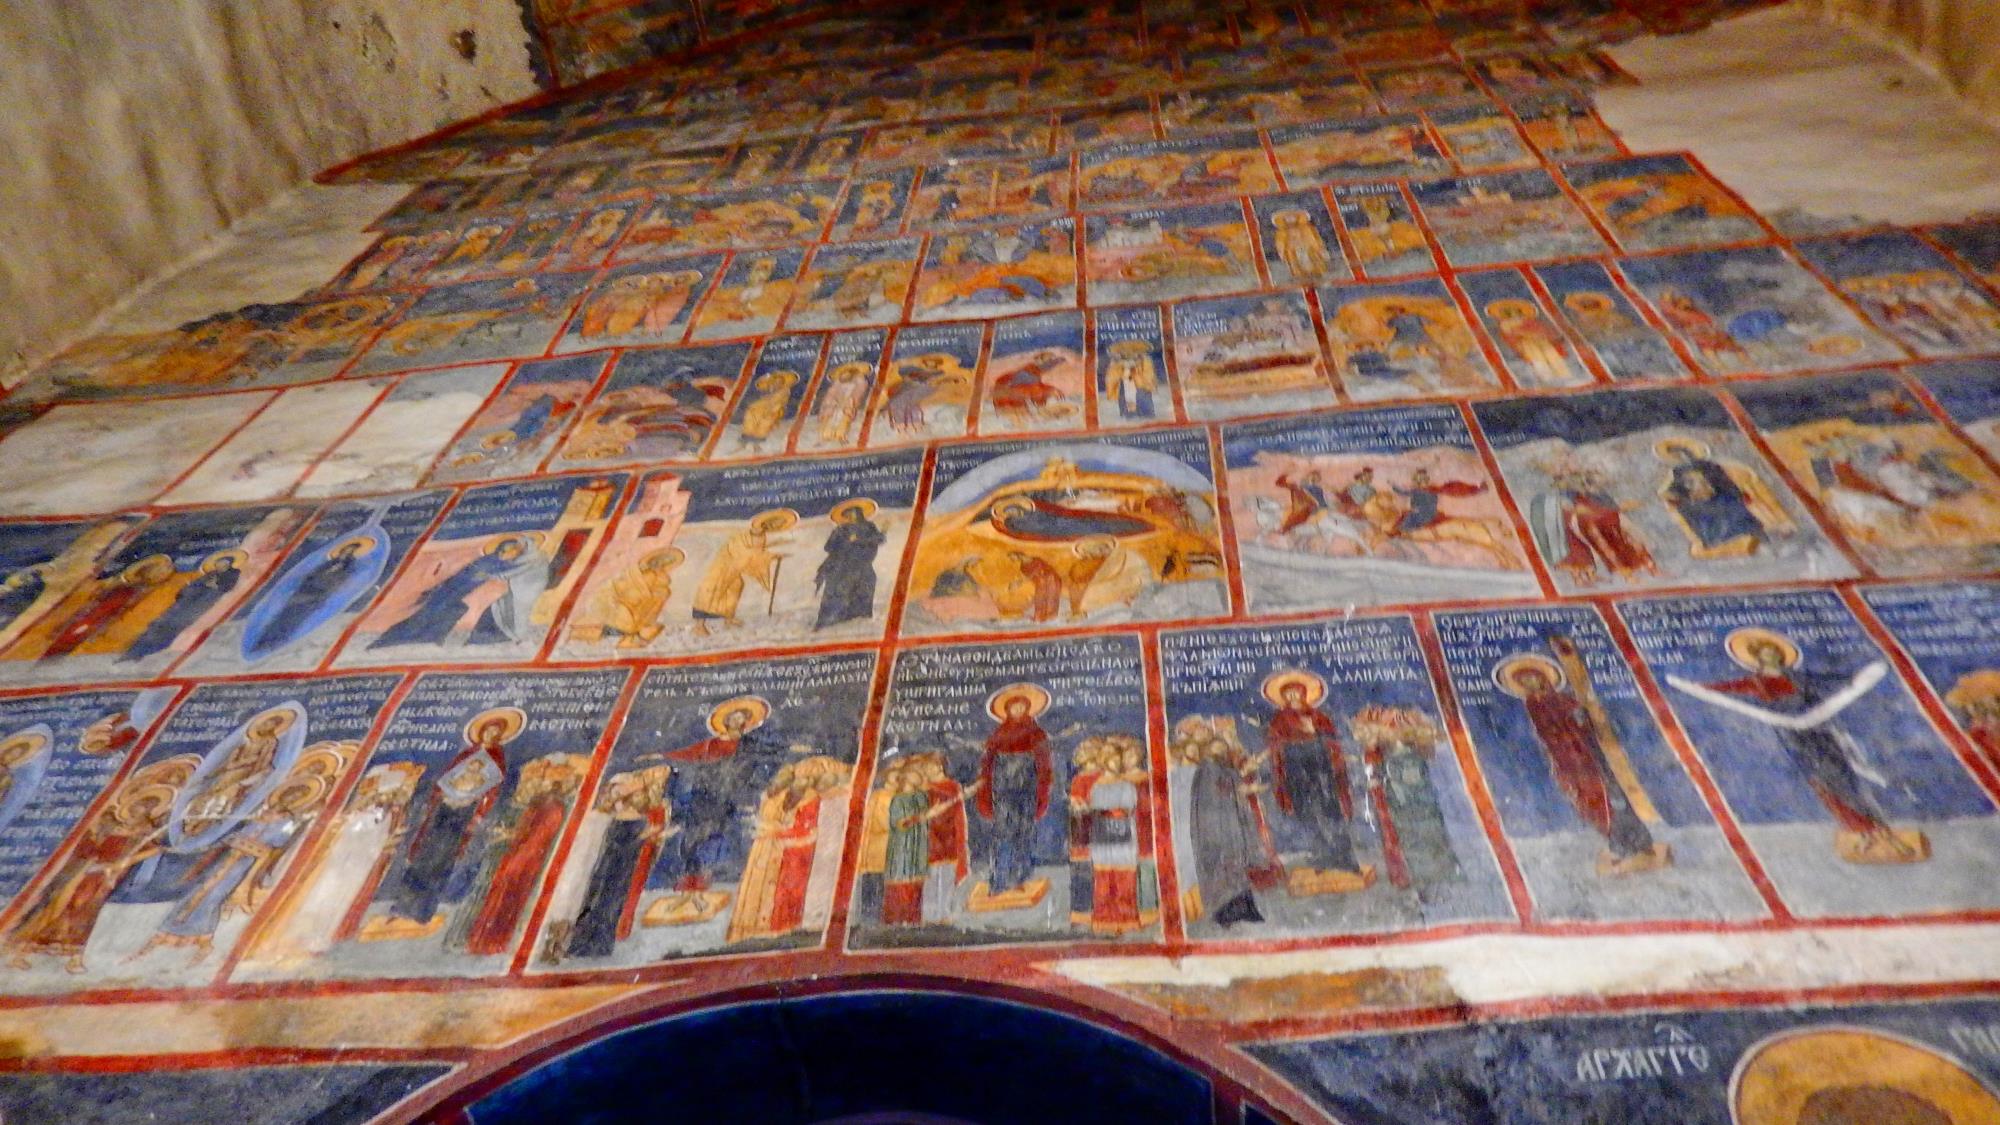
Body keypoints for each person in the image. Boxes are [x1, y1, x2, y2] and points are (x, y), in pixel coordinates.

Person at [1495, 653, 1657, 866]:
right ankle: (1620, 847)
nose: (1530, 684)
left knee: (1611, 795)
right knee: (1588, 804)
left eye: (1532, 678)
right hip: (1566, 760)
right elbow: (1545, 733)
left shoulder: (1563, 699)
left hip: (1587, 754)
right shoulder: (1533, 705)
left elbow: (1583, 718)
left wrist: (1581, 718)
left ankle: (1640, 843)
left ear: (1542, 678)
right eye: (1524, 682)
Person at [374, 708, 520, 933]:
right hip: (443, 810)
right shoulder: (466, 754)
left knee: (441, 861)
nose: (490, 735)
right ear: (481, 731)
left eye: (495, 732)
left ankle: (422, 911)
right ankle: (402, 906)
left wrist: (477, 811)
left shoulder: (496, 759)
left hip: (462, 815)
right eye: (488, 730)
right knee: (423, 856)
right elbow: (445, 781)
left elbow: (491, 791)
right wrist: (440, 796)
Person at [453, 757, 582, 956]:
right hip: (517, 855)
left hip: (525, 861)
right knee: (496, 897)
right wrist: (507, 835)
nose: (535, 783)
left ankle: (490, 943)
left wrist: (513, 852)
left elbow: (538, 838)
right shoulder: (539, 803)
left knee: (506, 899)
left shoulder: (554, 808)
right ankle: (479, 941)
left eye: (541, 779)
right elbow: (524, 830)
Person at [1251, 671, 1363, 879]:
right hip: (1294, 767)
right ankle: (1323, 855)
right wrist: (1280, 747)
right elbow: (1275, 743)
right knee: (1305, 812)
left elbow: (1331, 741)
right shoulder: (1279, 719)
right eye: (1288, 694)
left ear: (1304, 694)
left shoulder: (1318, 716)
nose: (1293, 697)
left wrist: (1315, 733)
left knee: (1331, 808)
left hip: (1320, 766)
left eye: (1296, 693)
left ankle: (1344, 856)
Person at [368, 534, 547, 649]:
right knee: (437, 614)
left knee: (452, 612)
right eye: (509, 550)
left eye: (515, 550)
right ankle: (406, 638)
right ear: (501, 549)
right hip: (449, 594)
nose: (512, 553)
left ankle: (436, 639)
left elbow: (511, 572)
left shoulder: (507, 563)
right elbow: (470, 576)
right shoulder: (490, 562)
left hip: (455, 595)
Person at [977, 685, 1055, 897]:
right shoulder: (998, 735)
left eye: (1022, 707)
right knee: (1003, 833)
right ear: (1007, 710)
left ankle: (1019, 878)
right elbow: (987, 766)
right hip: (1003, 792)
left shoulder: (1037, 734)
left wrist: (1043, 792)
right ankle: (999, 879)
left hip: (1027, 791)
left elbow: (1044, 766)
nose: (1018, 710)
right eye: (1014, 707)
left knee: (1024, 834)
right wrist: (985, 792)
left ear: (1028, 709)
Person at [1656, 438, 1792, 559]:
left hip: (1721, 500)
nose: (1685, 456)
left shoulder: (1710, 467)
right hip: (1704, 509)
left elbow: (1722, 482)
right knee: (1729, 517)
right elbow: (1669, 494)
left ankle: (1768, 540)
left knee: (1744, 512)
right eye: (1679, 454)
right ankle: (1755, 542)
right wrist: (1688, 495)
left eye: (1687, 452)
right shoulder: (1677, 475)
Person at [693, 509, 794, 635]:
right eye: (772, 523)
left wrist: (773, 547)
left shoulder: (760, 535)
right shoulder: (743, 537)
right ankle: (699, 626)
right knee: (713, 591)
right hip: (722, 568)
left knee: (736, 586)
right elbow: (747, 554)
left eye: (775, 524)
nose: (772, 526)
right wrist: (771, 556)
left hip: (734, 569)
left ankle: (728, 618)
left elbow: (757, 550)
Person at [583, 547, 684, 648]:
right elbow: (614, 587)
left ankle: (626, 638)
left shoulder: (662, 589)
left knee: (638, 627)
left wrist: (644, 621)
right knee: (622, 623)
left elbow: (653, 610)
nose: (661, 564)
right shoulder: (633, 573)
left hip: (634, 615)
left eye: (666, 562)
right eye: (659, 560)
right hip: (616, 606)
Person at [814, 499, 885, 630]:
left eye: (852, 512)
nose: (849, 516)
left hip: (862, 564)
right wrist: (844, 542)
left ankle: (859, 616)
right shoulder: (841, 529)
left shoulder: (868, 526)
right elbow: (828, 547)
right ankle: (830, 619)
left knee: (865, 586)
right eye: (847, 514)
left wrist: (859, 539)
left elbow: (880, 539)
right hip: (843, 565)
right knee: (838, 590)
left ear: (859, 512)